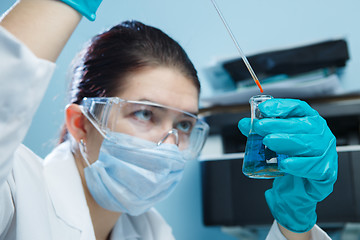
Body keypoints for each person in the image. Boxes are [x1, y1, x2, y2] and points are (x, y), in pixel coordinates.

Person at [0, 0, 337, 240]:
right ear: (81, 125)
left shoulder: (152, 232)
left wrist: (296, 228)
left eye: (184, 125)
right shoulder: (14, 196)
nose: (169, 144)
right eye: (144, 113)